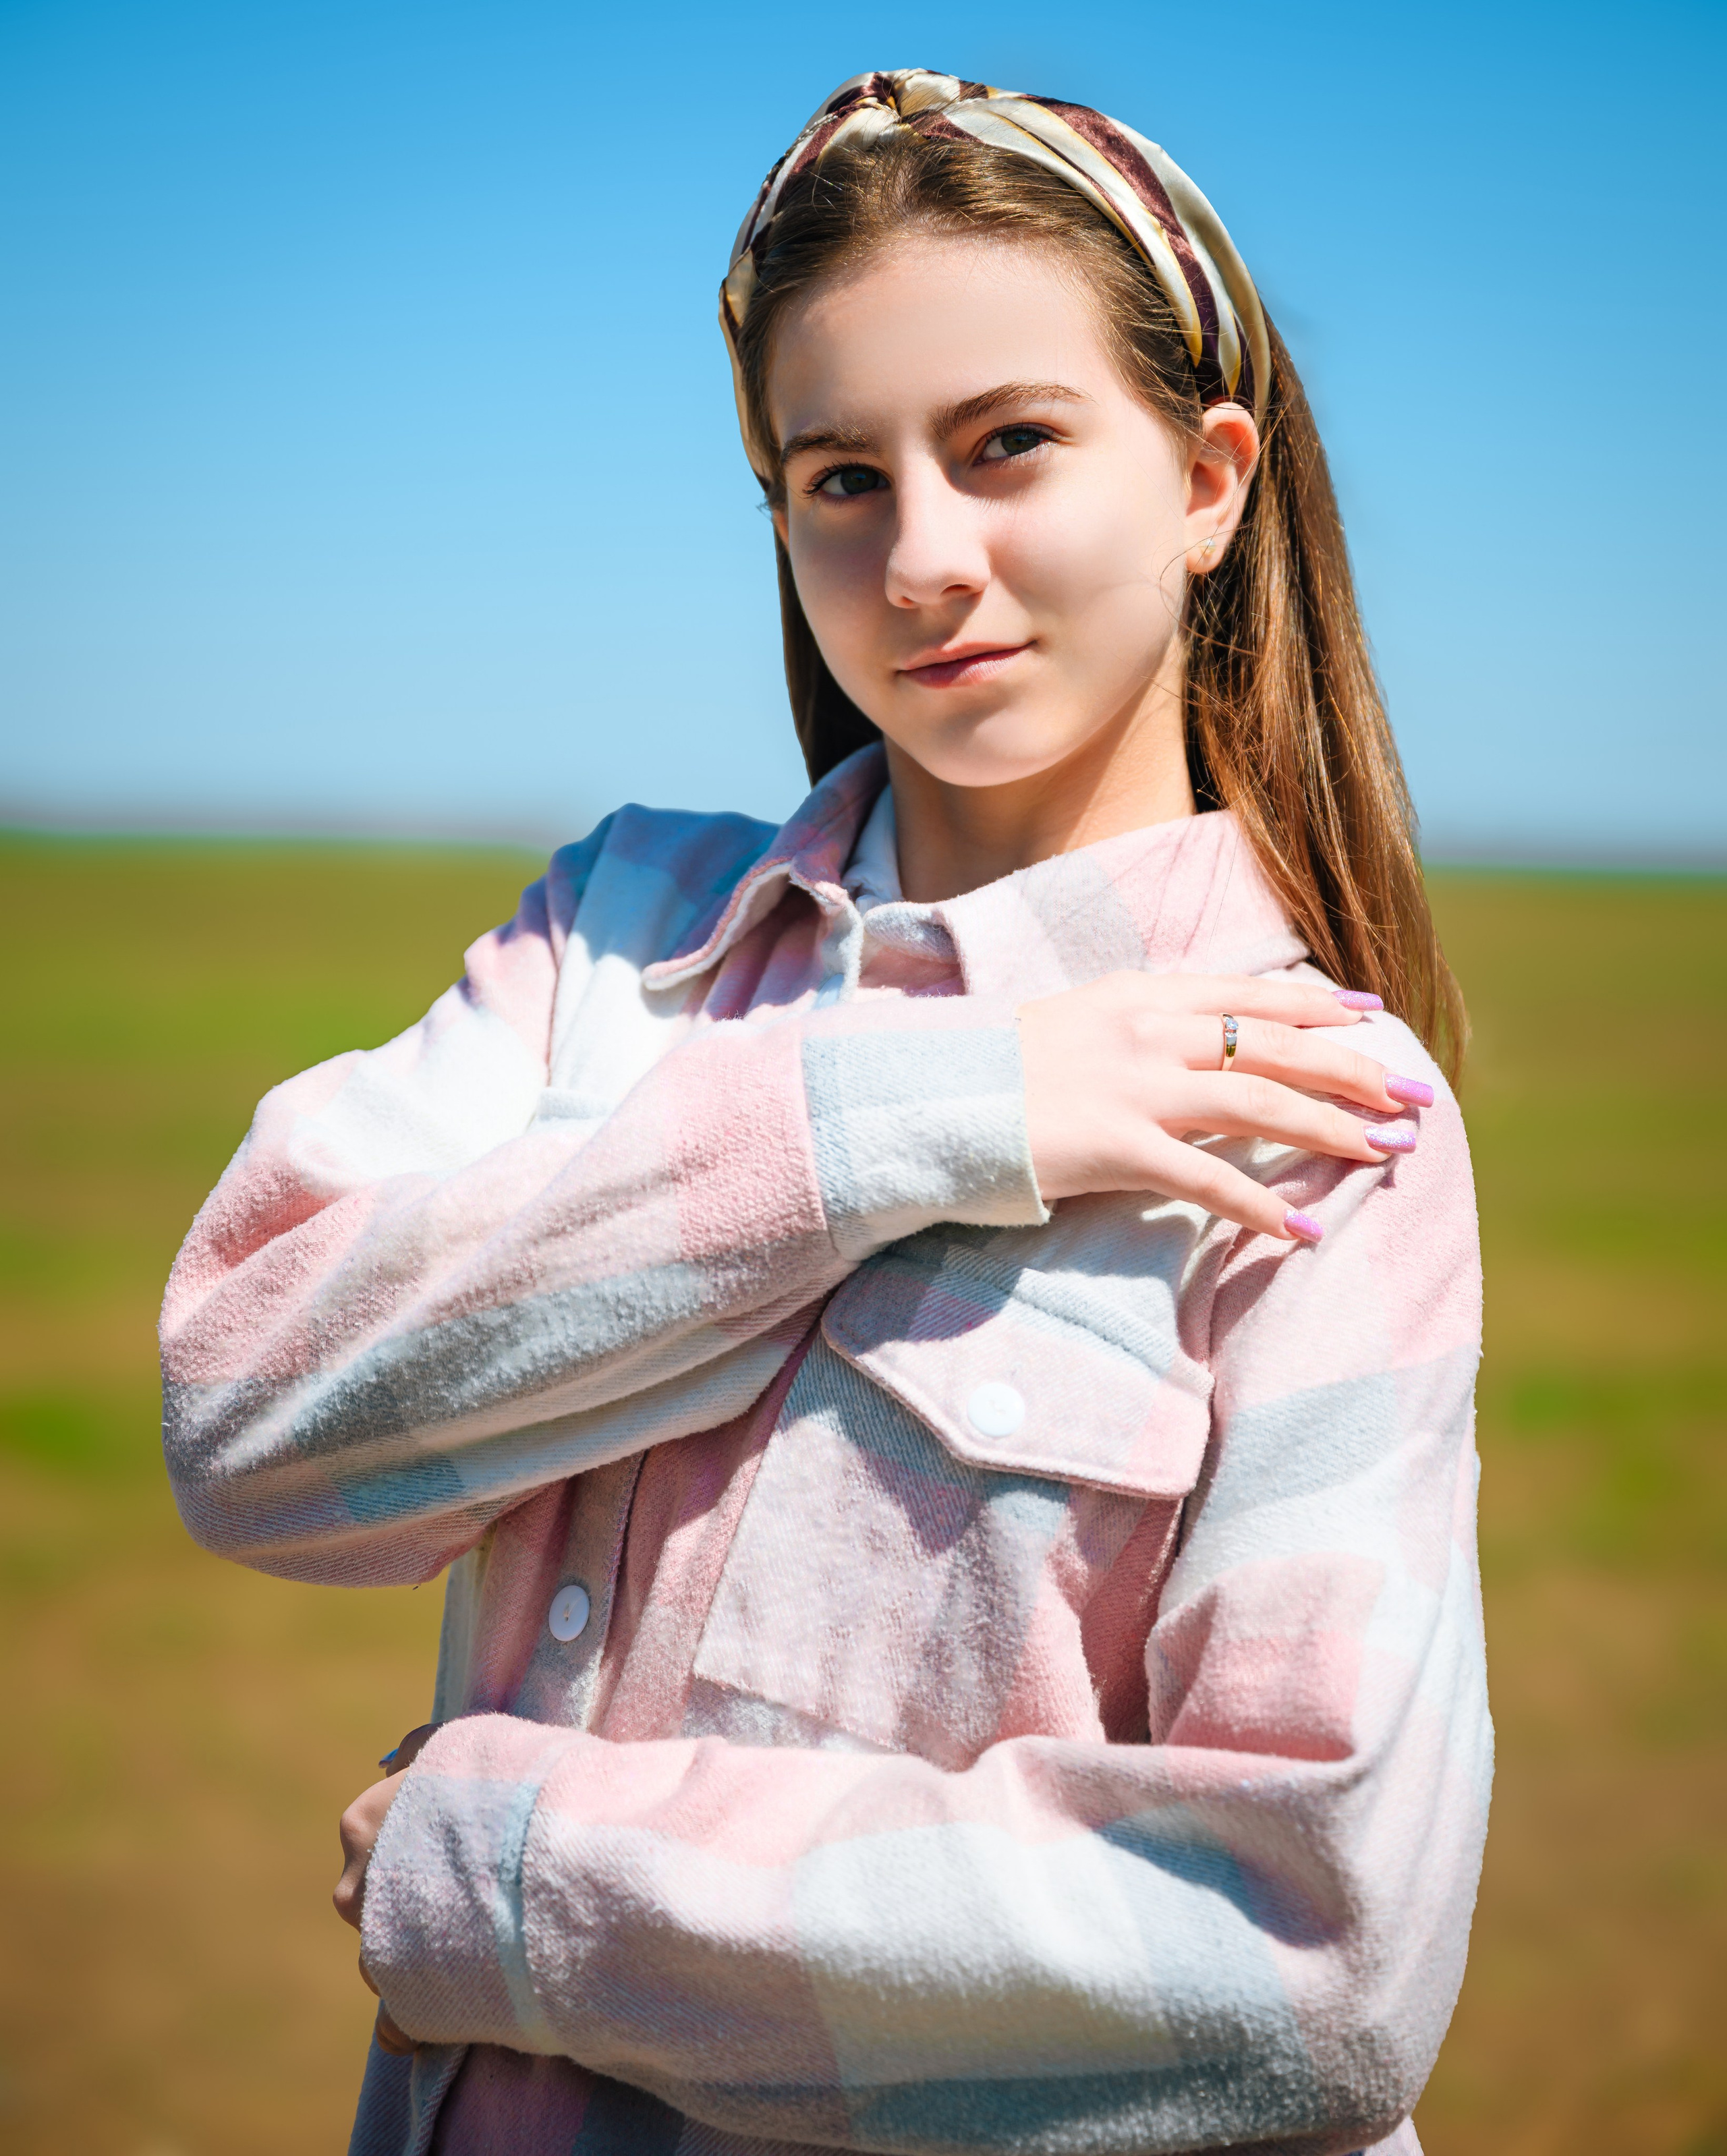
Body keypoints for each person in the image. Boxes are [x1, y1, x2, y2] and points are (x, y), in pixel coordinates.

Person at [161, 69, 1490, 2156]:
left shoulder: (1313, 1110)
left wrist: (525, 1885)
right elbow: (244, 1415)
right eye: (836, 478)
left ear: (1212, 479)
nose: (924, 558)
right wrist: (925, 1112)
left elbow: (1308, 1952)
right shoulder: (625, 937)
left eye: (1010, 445)